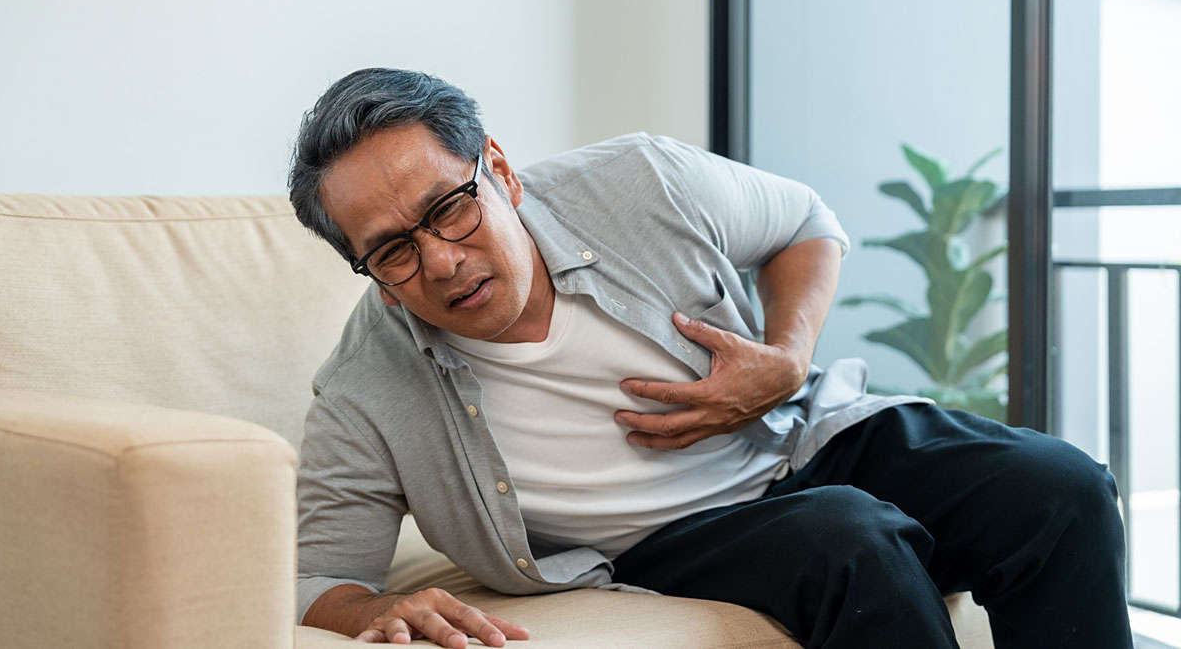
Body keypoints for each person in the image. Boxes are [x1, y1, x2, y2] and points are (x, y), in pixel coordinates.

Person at [288, 68, 1133, 649]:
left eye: (450, 207)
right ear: (369, 273)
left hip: (798, 436)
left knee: (1061, 486)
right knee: (855, 539)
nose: (441, 261)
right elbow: (311, 576)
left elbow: (807, 223)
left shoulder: (638, 180)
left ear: (500, 171)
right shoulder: (365, 388)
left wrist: (786, 357)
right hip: (666, 540)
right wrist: (376, 605)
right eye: (392, 250)